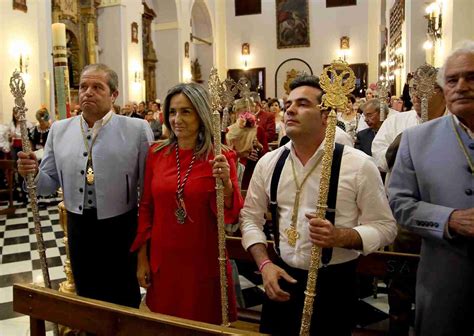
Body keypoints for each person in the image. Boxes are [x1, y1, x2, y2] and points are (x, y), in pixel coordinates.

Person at [240, 74, 397, 335]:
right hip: (280, 277)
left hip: (335, 284)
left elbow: (385, 227)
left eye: (302, 103)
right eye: (288, 103)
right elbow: (250, 218)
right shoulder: (270, 163)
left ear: (325, 115)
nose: (290, 109)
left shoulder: (357, 165)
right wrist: (264, 265)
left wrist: (342, 236)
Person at [17, 63, 153, 308]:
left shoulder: (136, 129)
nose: (87, 92)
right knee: (87, 297)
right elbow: (47, 185)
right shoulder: (59, 130)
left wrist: (145, 244)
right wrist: (34, 174)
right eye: (83, 86)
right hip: (79, 227)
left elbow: (148, 192)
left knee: (123, 296)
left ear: (114, 95)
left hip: (121, 227)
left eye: (97, 87)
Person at [131, 83, 243, 325]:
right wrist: (142, 258)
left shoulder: (221, 157)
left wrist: (227, 185)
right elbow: (146, 207)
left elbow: (231, 215)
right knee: (166, 326)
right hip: (164, 261)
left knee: (203, 325)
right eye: (172, 112)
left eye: (186, 112)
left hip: (203, 260)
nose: (176, 119)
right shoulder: (157, 154)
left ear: (201, 115)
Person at [388, 41, 474, 336]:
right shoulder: (416, 140)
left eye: (471, 77)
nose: (461, 86)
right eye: (452, 80)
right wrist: (448, 219)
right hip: (444, 281)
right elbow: (399, 203)